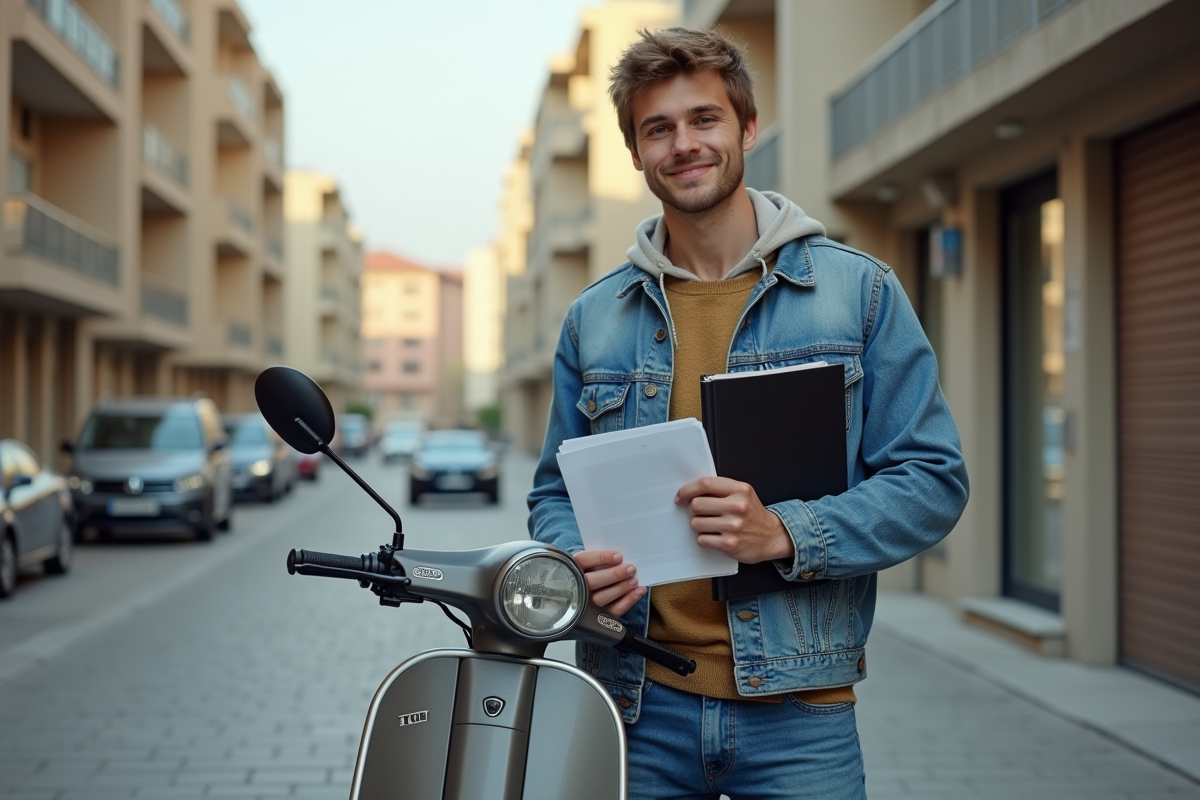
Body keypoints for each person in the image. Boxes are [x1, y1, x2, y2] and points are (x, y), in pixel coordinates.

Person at [527, 27, 969, 800]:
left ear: (747, 129)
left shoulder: (858, 292)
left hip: (801, 711)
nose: (683, 144)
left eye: (704, 120)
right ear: (635, 153)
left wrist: (787, 533)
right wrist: (575, 558)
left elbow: (932, 480)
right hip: (633, 705)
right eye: (657, 128)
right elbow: (552, 494)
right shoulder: (592, 320)